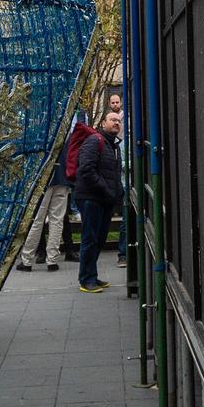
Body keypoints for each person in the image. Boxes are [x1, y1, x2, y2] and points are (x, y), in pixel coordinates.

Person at [73, 110, 125, 293]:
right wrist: (106, 189)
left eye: (118, 121)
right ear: (103, 123)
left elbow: (114, 175)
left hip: (104, 200)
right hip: (90, 198)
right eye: (112, 120)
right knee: (90, 238)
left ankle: (91, 275)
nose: (116, 123)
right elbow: (86, 170)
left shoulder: (114, 146)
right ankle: (86, 279)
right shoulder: (95, 141)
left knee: (99, 239)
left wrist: (116, 194)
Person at [17, 119, 74, 273]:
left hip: (44, 179)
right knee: (57, 220)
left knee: (37, 220)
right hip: (62, 178)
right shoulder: (64, 130)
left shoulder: (39, 130)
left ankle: (27, 259)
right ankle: (52, 260)